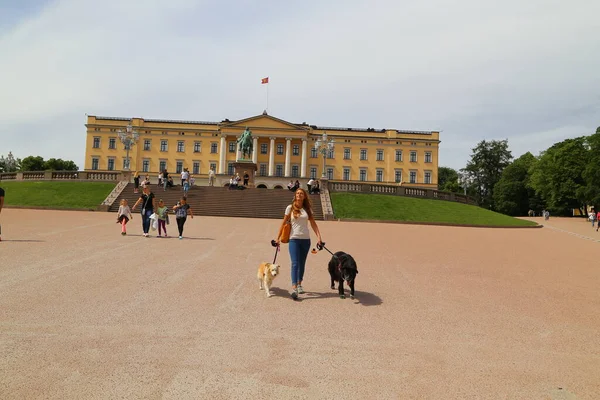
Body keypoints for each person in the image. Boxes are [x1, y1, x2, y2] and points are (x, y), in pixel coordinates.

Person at [275, 188, 323, 300]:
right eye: (297, 193)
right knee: (295, 263)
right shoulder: (290, 208)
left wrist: (319, 237)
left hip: (306, 240)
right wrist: (277, 238)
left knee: (302, 263)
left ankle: (300, 283)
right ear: (295, 195)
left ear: (304, 196)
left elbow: (313, 224)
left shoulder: (307, 209)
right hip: (294, 239)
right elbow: (283, 223)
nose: (299, 195)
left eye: (301, 193)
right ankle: (294, 287)